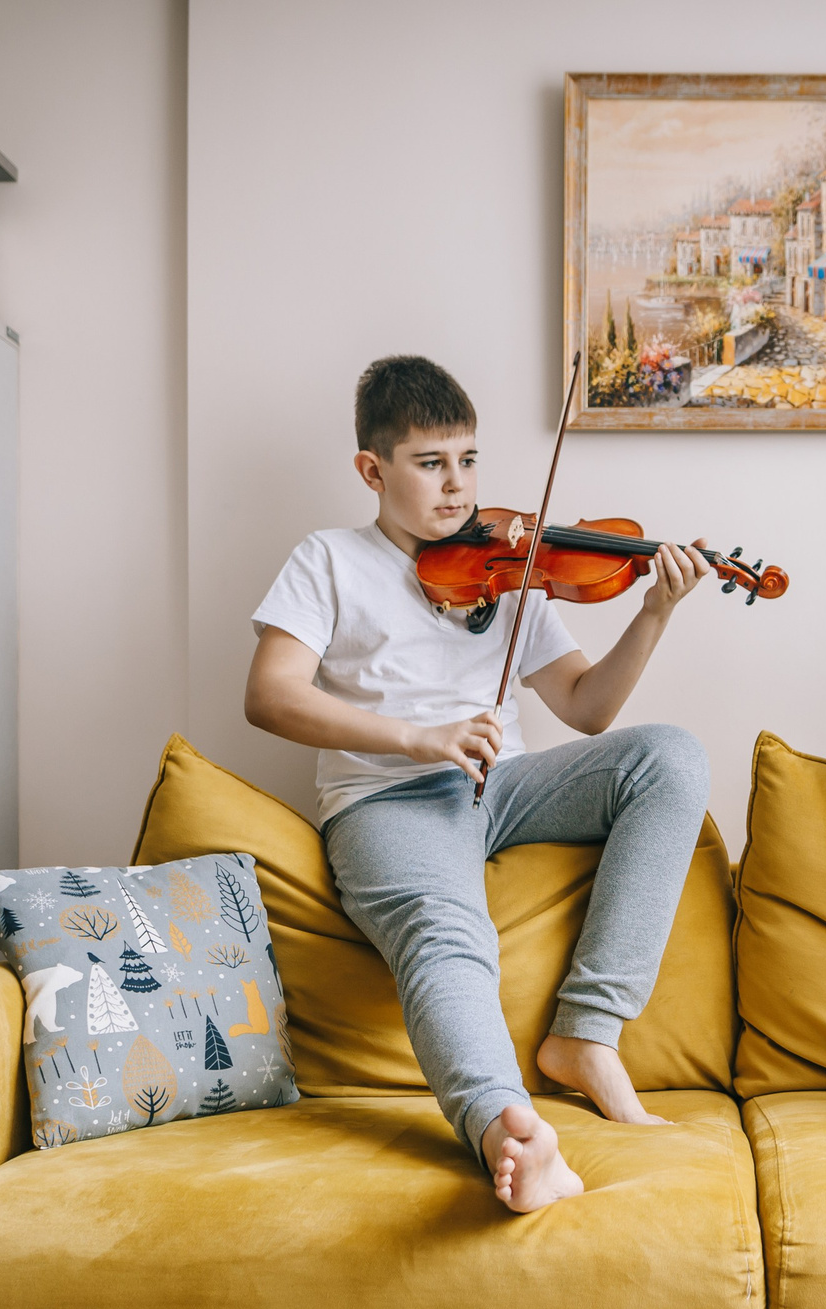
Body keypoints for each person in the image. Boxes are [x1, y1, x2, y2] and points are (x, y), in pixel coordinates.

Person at [245, 355, 711, 1214]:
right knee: (448, 934)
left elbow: (588, 707)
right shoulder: (329, 560)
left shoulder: (507, 560)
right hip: (388, 800)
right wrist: (419, 738)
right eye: (430, 463)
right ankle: (510, 1133)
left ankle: (587, 1032)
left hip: (506, 784)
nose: (457, 485)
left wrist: (653, 613)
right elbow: (269, 695)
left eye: (467, 459)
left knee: (670, 757)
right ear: (373, 470)